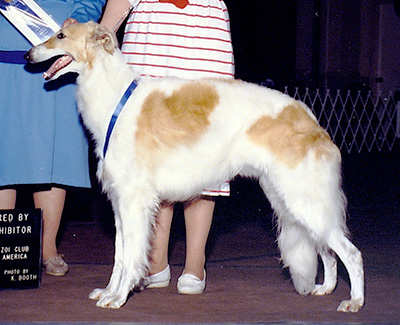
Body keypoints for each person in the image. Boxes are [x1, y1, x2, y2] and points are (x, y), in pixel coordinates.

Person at [100, 0, 234, 294]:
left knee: (203, 147)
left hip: (204, 26)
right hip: (150, 29)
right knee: (150, 152)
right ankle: (155, 260)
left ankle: (195, 262)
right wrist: (98, 37)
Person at [0, 0, 105, 276]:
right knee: (3, 151)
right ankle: (4, 247)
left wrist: (79, 17)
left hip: (58, 44)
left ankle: (47, 249)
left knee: (54, 155)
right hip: (4, 40)